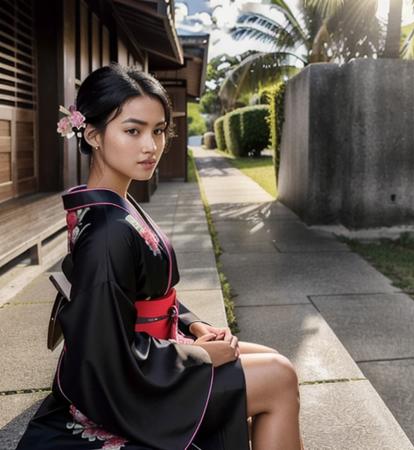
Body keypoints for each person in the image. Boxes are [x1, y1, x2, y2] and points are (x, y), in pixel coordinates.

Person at [15, 63, 305, 450]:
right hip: (134, 381)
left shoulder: (118, 206)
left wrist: (196, 325)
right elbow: (106, 354)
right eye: (132, 131)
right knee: (279, 376)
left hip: (158, 349)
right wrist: (197, 354)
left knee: (269, 358)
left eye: (158, 131)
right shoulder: (107, 232)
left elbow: (148, 293)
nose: (150, 146)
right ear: (93, 134)